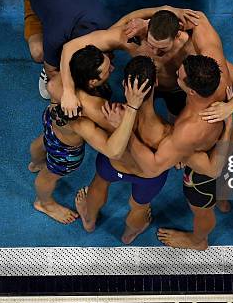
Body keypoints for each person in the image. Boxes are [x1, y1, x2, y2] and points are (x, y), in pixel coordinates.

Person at [74, 55, 233, 245]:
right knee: (139, 207)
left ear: (125, 84)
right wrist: (230, 117)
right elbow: (208, 167)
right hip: (147, 179)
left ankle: (89, 220)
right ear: (156, 82)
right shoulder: (170, 135)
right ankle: (129, 235)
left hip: (113, 165)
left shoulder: (108, 112)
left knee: (98, 185)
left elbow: (64, 92)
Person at [127, 13, 233, 250]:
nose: (176, 73)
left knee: (201, 208)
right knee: (224, 183)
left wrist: (127, 126)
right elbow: (199, 18)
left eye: (180, 76)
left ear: (190, 91)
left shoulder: (187, 131)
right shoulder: (217, 67)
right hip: (230, 142)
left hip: (208, 167)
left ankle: (198, 240)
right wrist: (148, 25)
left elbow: (154, 166)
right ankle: (223, 201)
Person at [60, 6, 233, 123]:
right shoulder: (132, 35)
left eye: (161, 49)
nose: (153, 52)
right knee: (141, 118)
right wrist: (68, 91)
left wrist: (231, 107)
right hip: (144, 83)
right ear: (147, 28)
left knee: (175, 116)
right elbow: (71, 46)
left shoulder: (194, 52)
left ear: (177, 34)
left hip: (176, 90)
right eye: (150, 45)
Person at [29, 44, 151, 224]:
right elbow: (114, 150)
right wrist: (132, 107)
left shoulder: (60, 81)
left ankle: (35, 163)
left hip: (50, 121)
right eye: (107, 69)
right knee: (49, 175)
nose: (113, 68)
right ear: (92, 82)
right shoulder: (91, 113)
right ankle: (44, 203)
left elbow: (63, 60)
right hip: (66, 151)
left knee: (43, 141)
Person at [24, 0, 111, 98]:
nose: (112, 69)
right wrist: (74, 94)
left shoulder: (106, 28)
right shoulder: (56, 35)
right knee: (38, 53)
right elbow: (52, 74)